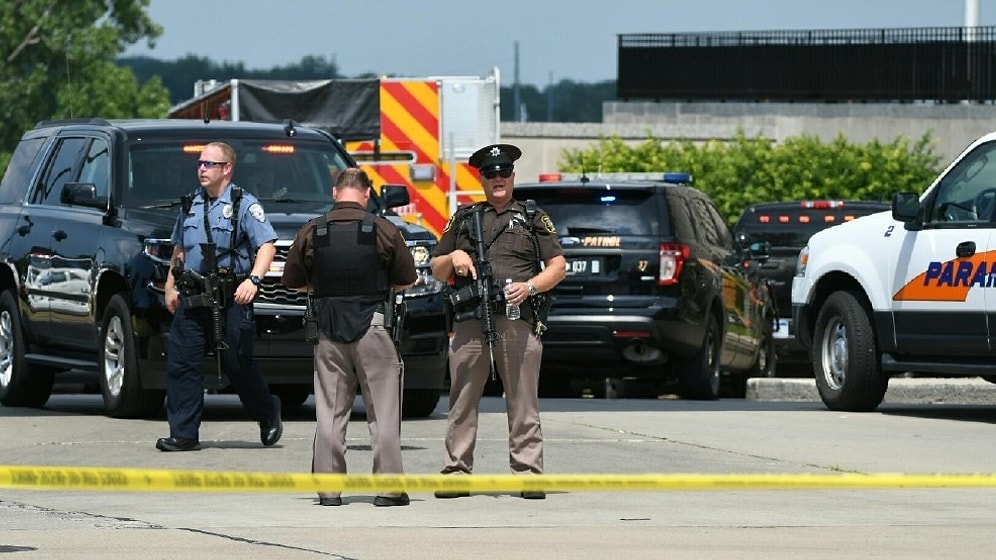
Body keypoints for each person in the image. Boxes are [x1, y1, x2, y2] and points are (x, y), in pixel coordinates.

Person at [429, 143, 566, 499]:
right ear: (482, 178)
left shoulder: (533, 217)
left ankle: (528, 472)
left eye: (504, 172)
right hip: (471, 318)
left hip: (517, 318)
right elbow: (436, 266)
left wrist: (531, 287)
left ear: (513, 176)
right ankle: (457, 469)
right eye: (491, 174)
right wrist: (455, 254)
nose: (498, 179)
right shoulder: (463, 218)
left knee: (522, 400)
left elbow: (558, 266)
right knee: (462, 398)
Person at [281, 168, 416, 507]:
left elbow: (292, 282)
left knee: (330, 411)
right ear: (367, 194)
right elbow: (407, 279)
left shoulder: (313, 230)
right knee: (383, 412)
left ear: (334, 192)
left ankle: (329, 491)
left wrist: (320, 287)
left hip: (327, 328)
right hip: (373, 325)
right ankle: (388, 490)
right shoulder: (384, 229)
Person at [156, 141, 282, 452]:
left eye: (208, 164)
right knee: (183, 364)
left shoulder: (243, 204)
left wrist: (254, 279)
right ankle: (183, 434)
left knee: (236, 363)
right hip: (194, 296)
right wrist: (171, 286)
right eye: (199, 163)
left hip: (231, 297)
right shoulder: (190, 204)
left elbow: (267, 246)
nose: (201, 168)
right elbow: (180, 249)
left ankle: (267, 412)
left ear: (226, 168)